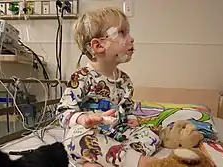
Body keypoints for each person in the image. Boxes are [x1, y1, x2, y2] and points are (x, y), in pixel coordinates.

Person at [56, 7, 161, 167]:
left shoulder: (125, 80)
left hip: (117, 133)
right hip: (92, 132)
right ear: (98, 45)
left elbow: (127, 108)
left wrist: (131, 119)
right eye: (122, 33)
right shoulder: (82, 77)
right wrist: (82, 118)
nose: (131, 38)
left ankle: (105, 160)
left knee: (151, 136)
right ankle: (137, 162)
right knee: (76, 137)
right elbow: (62, 113)